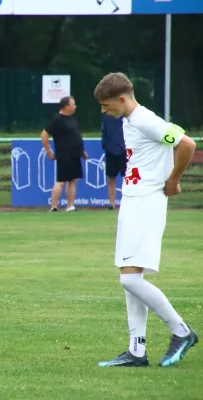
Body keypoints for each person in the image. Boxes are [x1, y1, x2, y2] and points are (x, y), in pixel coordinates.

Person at [94, 72, 197, 367]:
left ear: (122, 99)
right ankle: (136, 350)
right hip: (134, 200)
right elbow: (171, 137)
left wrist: (173, 180)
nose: (104, 111)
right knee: (131, 278)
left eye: (106, 105)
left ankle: (181, 331)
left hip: (146, 202)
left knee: (128, 279)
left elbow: (186, 144)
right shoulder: (130, 121)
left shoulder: (143, 119)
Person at [40, 95, 88, 212]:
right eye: (73, 104)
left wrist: (81, 151)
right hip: (64, 154)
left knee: (73, 180)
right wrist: (48, 150)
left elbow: (75, 137)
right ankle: (54, 206)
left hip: (75, 154)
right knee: (61, 181)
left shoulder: (72, 120)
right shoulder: (57, 120)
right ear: (66, 106)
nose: (75, 107)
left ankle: (70, 206)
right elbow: (44, 134)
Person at [101, 113, 126, 210]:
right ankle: (111, 203)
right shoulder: (107, 117)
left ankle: (126, 202)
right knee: (111, 178)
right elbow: (104, 132)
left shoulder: (126, 117)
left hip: (124, 152)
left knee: (127, 178)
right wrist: (105, 145)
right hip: (111, 152)